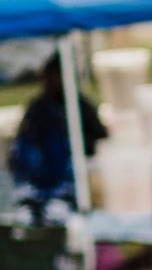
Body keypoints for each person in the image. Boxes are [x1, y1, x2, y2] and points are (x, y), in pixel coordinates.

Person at [6, 56, 108, 207]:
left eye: (54, 76)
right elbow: (23, 142)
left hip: (71, 172)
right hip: (41, 174)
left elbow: (100, 138)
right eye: (47, 76)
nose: (49, 81)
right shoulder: (38, 107)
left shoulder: (80, 105)